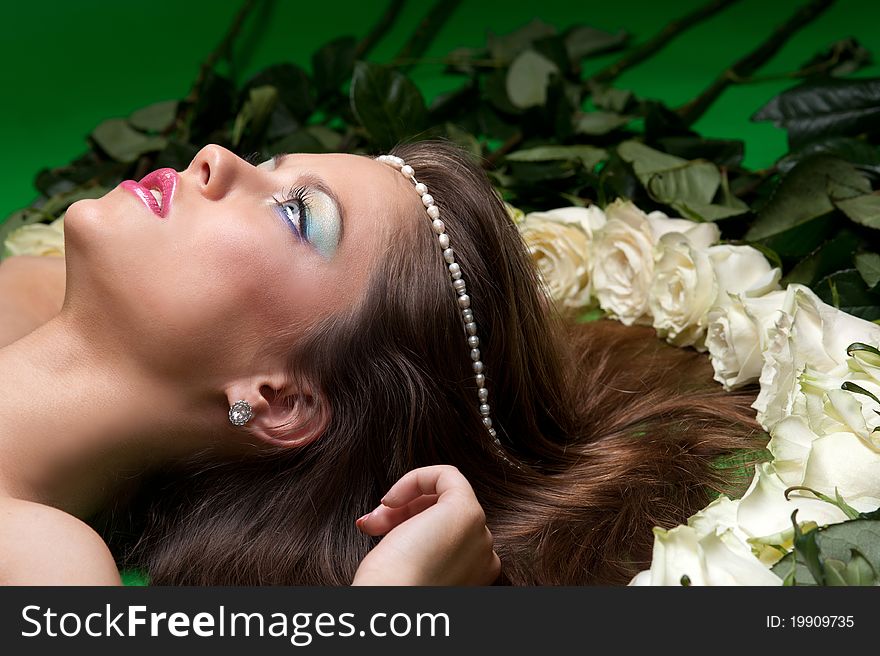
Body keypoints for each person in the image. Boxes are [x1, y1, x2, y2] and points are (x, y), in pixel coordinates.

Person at [0, 141, 763, 585]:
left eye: (295, 214)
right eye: (268, 161)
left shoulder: (45, 565)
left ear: (280, 402)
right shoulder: (24, 294)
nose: (215, 159)